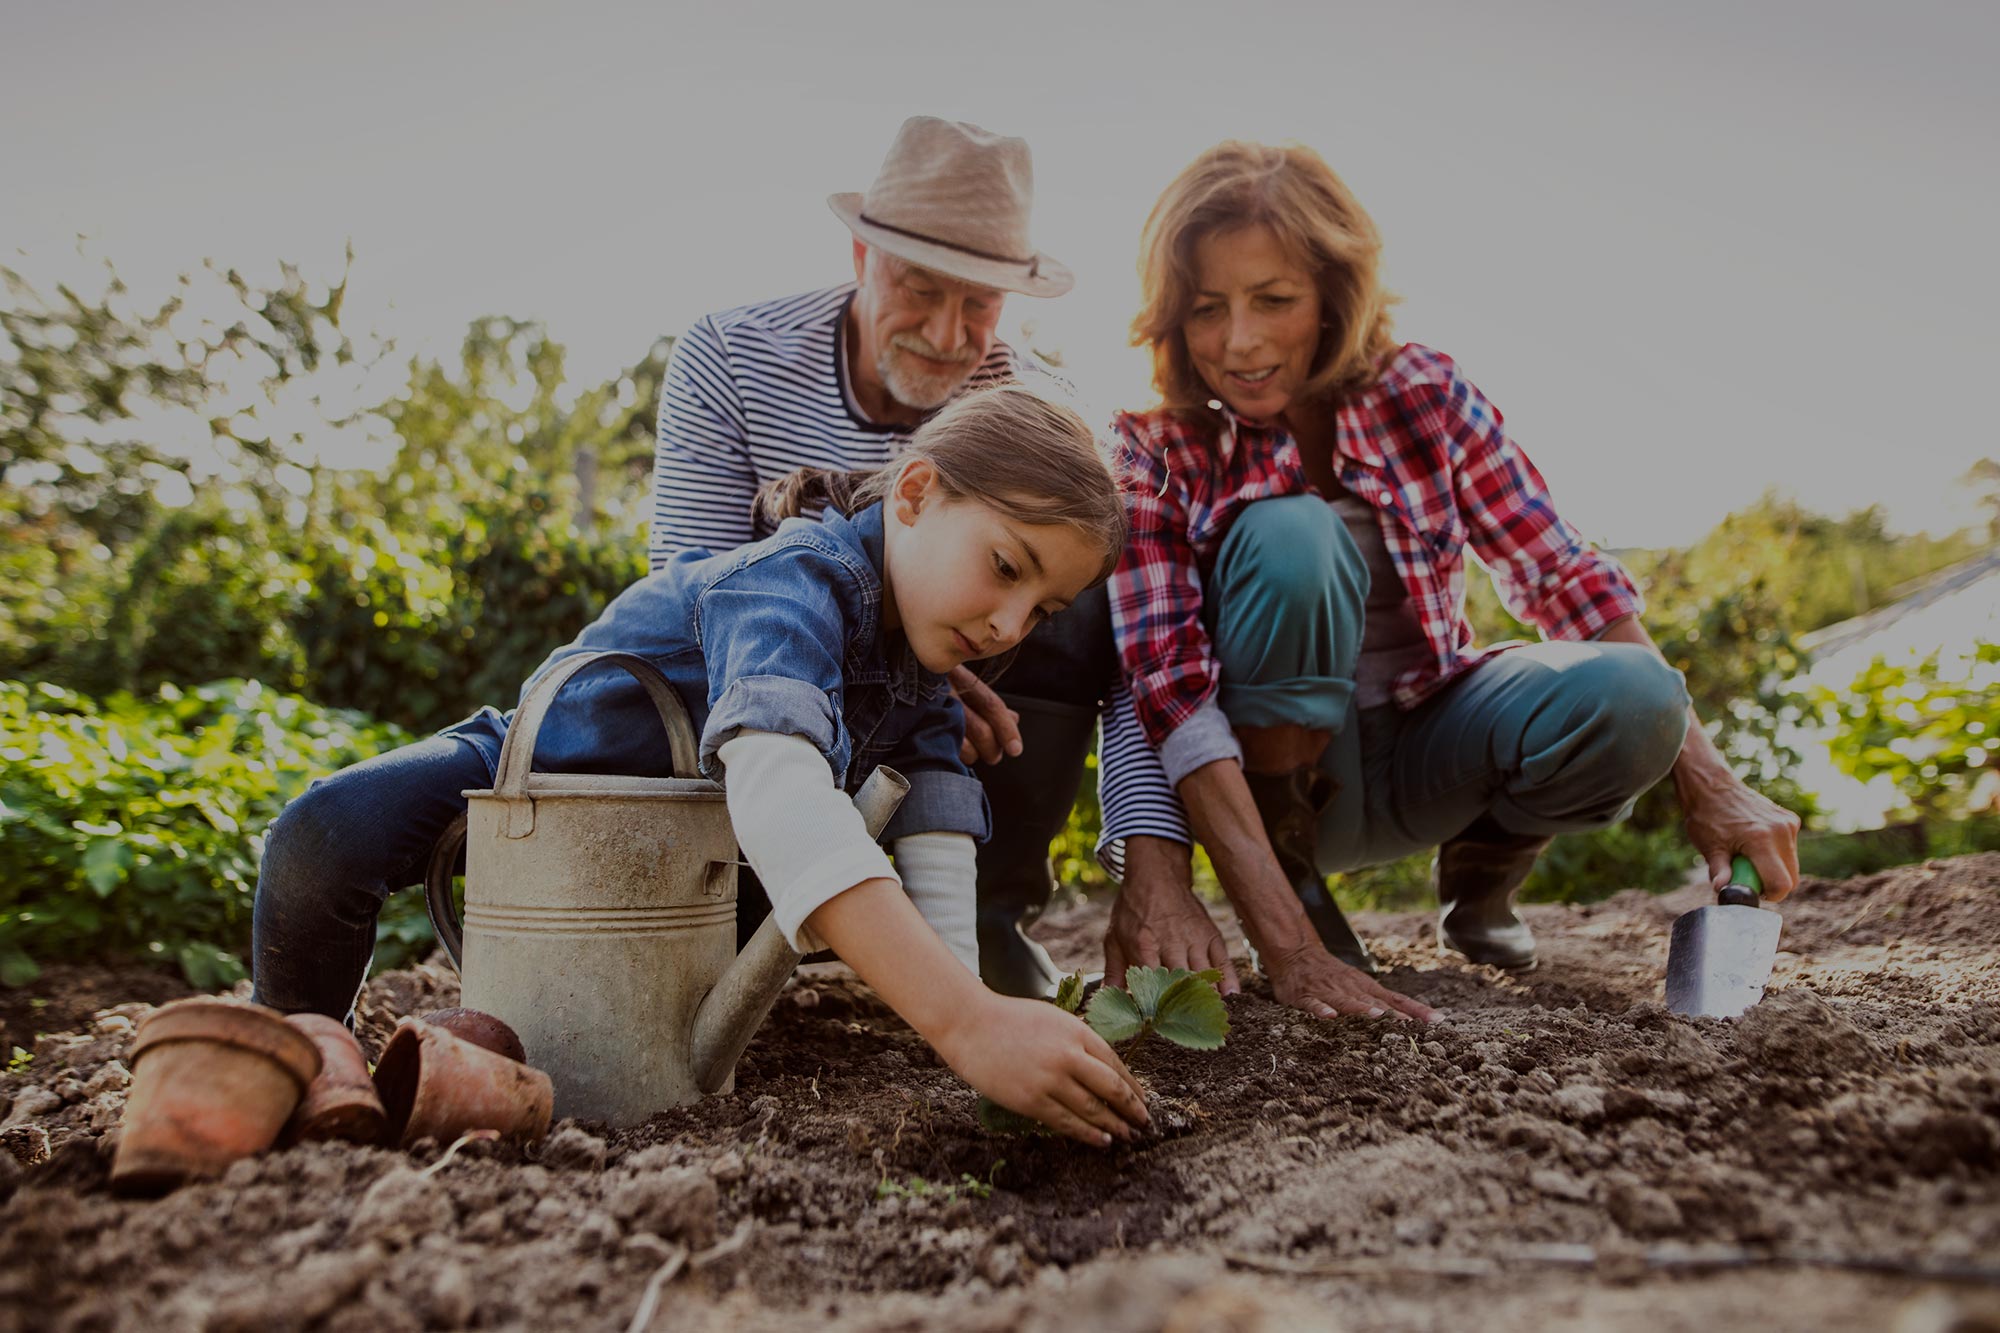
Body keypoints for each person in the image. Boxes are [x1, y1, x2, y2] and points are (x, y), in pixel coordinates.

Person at [250, 387, 1150, 1146]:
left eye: (1042, 610)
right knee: (325, 832)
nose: (1006, 626)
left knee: (771, 910)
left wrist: (968, 1005)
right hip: (533, 775)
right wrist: (966, 1023)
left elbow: (936, 829)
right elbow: (778, 782)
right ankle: (301, 1051)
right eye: (1005, 567)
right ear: (915, 492)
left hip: (675, 869)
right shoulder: (794, 581)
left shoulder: (921, 658)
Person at [1102, 141, 1802, 1022]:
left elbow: (1560, 574)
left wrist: (1712, 781)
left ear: (1331, 295)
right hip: (1274, 789)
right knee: (1292, 534)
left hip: (1431, 743)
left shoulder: (1423, 391)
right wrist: (1292, 949)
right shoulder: (1154, 445)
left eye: (1273, 300)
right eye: (1207, 309)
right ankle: (1299, 889)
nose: (1239, 341)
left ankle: (1481, 877)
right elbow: (1166, 692)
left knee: (1640, 696)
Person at [650, 115, 1187, 998]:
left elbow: (1143, 658)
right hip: (772, 690)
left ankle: (984, 912)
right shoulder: (732, 356)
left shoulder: (1042, 409)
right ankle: (743, 897)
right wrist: (904, 668)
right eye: (920, 287)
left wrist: (1150, 861)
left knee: (1066, 576)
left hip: (938, 702)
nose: (946, 332)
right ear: (862, 260)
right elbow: (694, 585)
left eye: (979, 303)